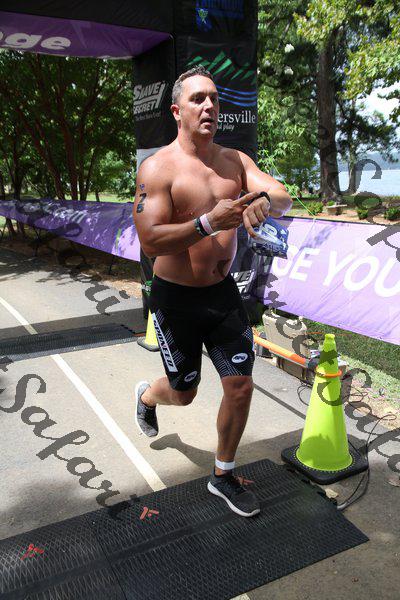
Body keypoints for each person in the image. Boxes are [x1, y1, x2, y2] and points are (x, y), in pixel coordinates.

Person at [133, 65, 292, 517]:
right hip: (176, 300)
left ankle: (223, 475)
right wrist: (207, 222)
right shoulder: (157, 168)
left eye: (215, 99)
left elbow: (282, 196)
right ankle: (148, 396)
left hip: (222, 296)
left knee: (240, 387)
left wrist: (264, 200)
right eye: (198, 99)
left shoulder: (235, 161)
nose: (209, 106)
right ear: (176, 111)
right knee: (184, 393)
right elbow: (150, 240)